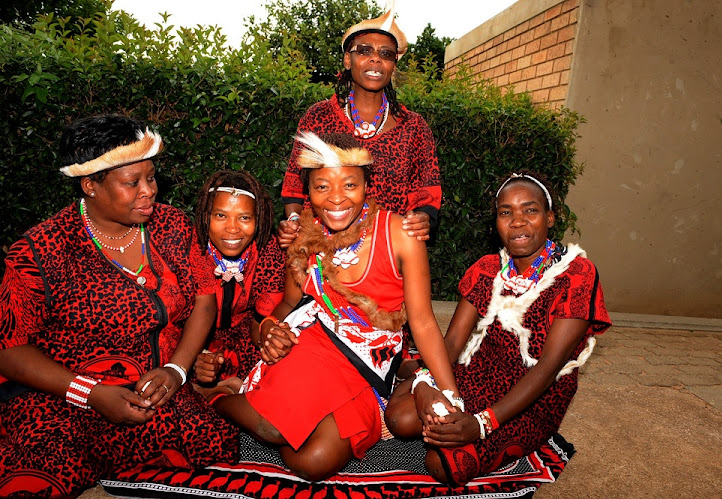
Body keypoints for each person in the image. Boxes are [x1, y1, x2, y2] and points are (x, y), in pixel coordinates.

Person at [199, 132, 461, 481]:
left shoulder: (400, 233)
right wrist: (267, 329)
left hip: (372, 361)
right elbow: (290, 303)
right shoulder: (304, 235)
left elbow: (424, 323)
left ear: (368, 185)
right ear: (307, 193)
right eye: (322, 187)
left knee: (312, 462)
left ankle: (270, 400)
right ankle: (214, 395)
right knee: (273, 430)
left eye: (349, 184)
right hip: (314, 342)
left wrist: (451, 394)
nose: (336, 199)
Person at [0, 115, 237, 498]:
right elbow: (9, 350)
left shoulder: (173, 227)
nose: (149, 192)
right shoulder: (41, 249)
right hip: (65, 395)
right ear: (89, 185)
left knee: (211, 440)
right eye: (131, 183)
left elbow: (204, 301)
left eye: (151, 177)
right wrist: (90, 393)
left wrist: (176, 370)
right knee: (44, 470)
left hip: (153, 389)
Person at [385, 171, 611, 485]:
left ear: (550, 217)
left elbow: (547, 368)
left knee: (445, 464)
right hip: (477, 374)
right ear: (497, 223)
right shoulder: (487, 269)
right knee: (400, 419)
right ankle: (413, 373)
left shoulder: (575, 274)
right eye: (506, 213)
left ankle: (409, 372)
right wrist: (426, 384)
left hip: (533, 396)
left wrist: (482, 424)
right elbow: (451, 345)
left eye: (530, 210)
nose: (517, 221)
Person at [278, 0, 441, 248]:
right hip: (322, 251)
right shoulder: (318, 117)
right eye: (364, 50)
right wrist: (293, 221)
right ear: (347, 59)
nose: (375, 59)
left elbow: (427, 195)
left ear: (393, 66)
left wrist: (423, 218)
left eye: (386, 54)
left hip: (387, 252)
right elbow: (294, 187)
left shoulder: (414, 128)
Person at [191, 171, 285, 385]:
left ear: (258, 219)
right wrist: (198, 357)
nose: (232, 228)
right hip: (190, 340)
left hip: (244, 336)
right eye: (220, 215)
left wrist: (270, 341)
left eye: (244, 217)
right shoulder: (189, 251)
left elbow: (260, 323)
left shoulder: (269, 254)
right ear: (205, 216)